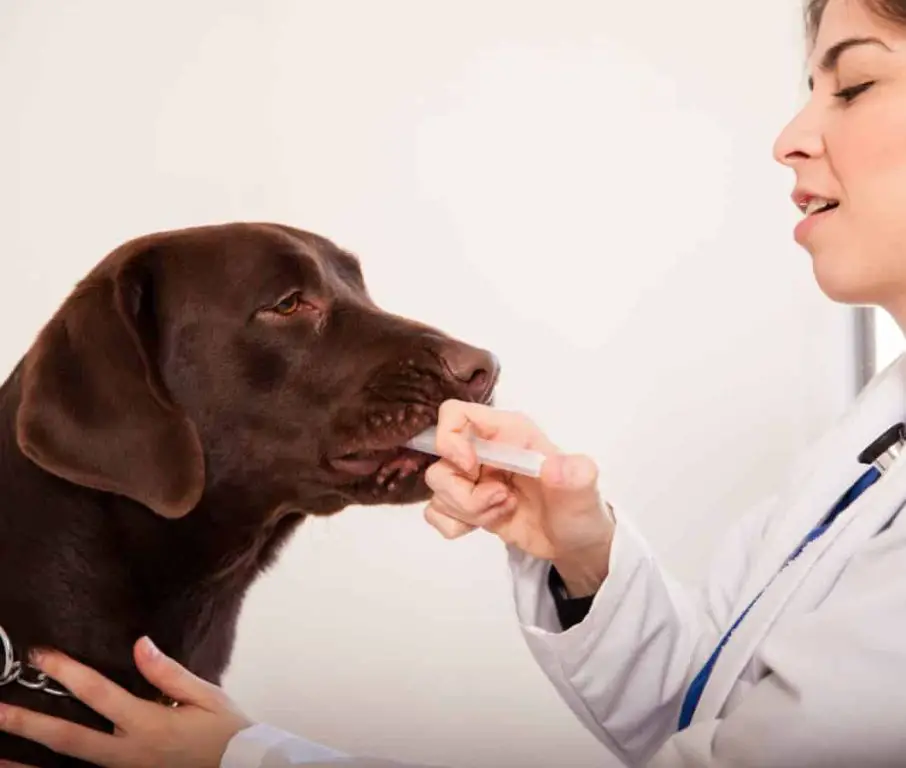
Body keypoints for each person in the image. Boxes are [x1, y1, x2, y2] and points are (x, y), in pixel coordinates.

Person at [3, 0, 906, 765]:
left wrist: (248, 758)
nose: (791, 137)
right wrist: (580, 558)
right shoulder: (870, 432)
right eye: (810, 90)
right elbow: (713, 717)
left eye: (855, 84)